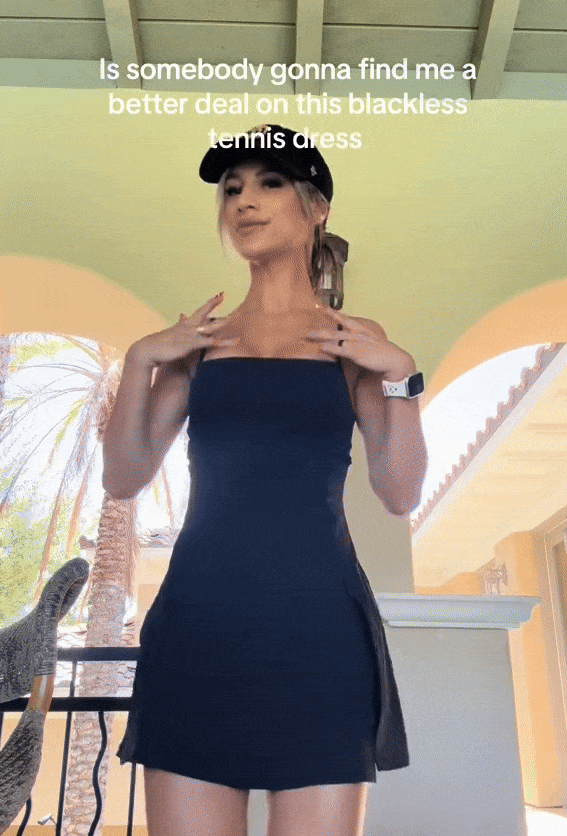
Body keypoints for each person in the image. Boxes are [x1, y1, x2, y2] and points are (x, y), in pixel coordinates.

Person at [104, 124, 428, 836]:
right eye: (231, 190)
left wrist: (401, 376)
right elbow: (123, 476)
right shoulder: (200, 345)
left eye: (269, 183)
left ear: (317, 208)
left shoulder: (353, 342)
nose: (244, 201)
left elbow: (399, 493)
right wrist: (139, 361)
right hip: (199, 629)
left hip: (320, 634)